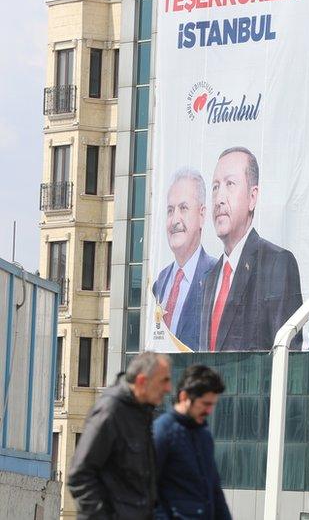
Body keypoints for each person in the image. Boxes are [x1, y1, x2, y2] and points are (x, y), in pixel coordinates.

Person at [200, 146, 303, 351]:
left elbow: (289, 357)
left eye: (230, 184)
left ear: (252, 197)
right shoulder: (210, 278)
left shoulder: (276, 264)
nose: (219, 199)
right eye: (215, 187)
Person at [68, 352, 172, 520]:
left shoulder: (141, 413)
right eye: (164, 381)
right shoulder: (111, 410)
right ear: (141, 381)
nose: (169, 388)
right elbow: (80, 475)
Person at [153, 364, 231, 519]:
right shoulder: (162, 431)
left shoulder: (204, 435)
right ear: (184, 397)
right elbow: (146, 491)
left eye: (213, 405)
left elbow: (214, 489)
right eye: (205, 404)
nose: (209, 411)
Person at [153, 168, 216, 351]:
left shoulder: (217, 276)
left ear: (202, 215)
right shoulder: (160, 282)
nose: (175, 220)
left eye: (183, 208)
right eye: (170, 210)